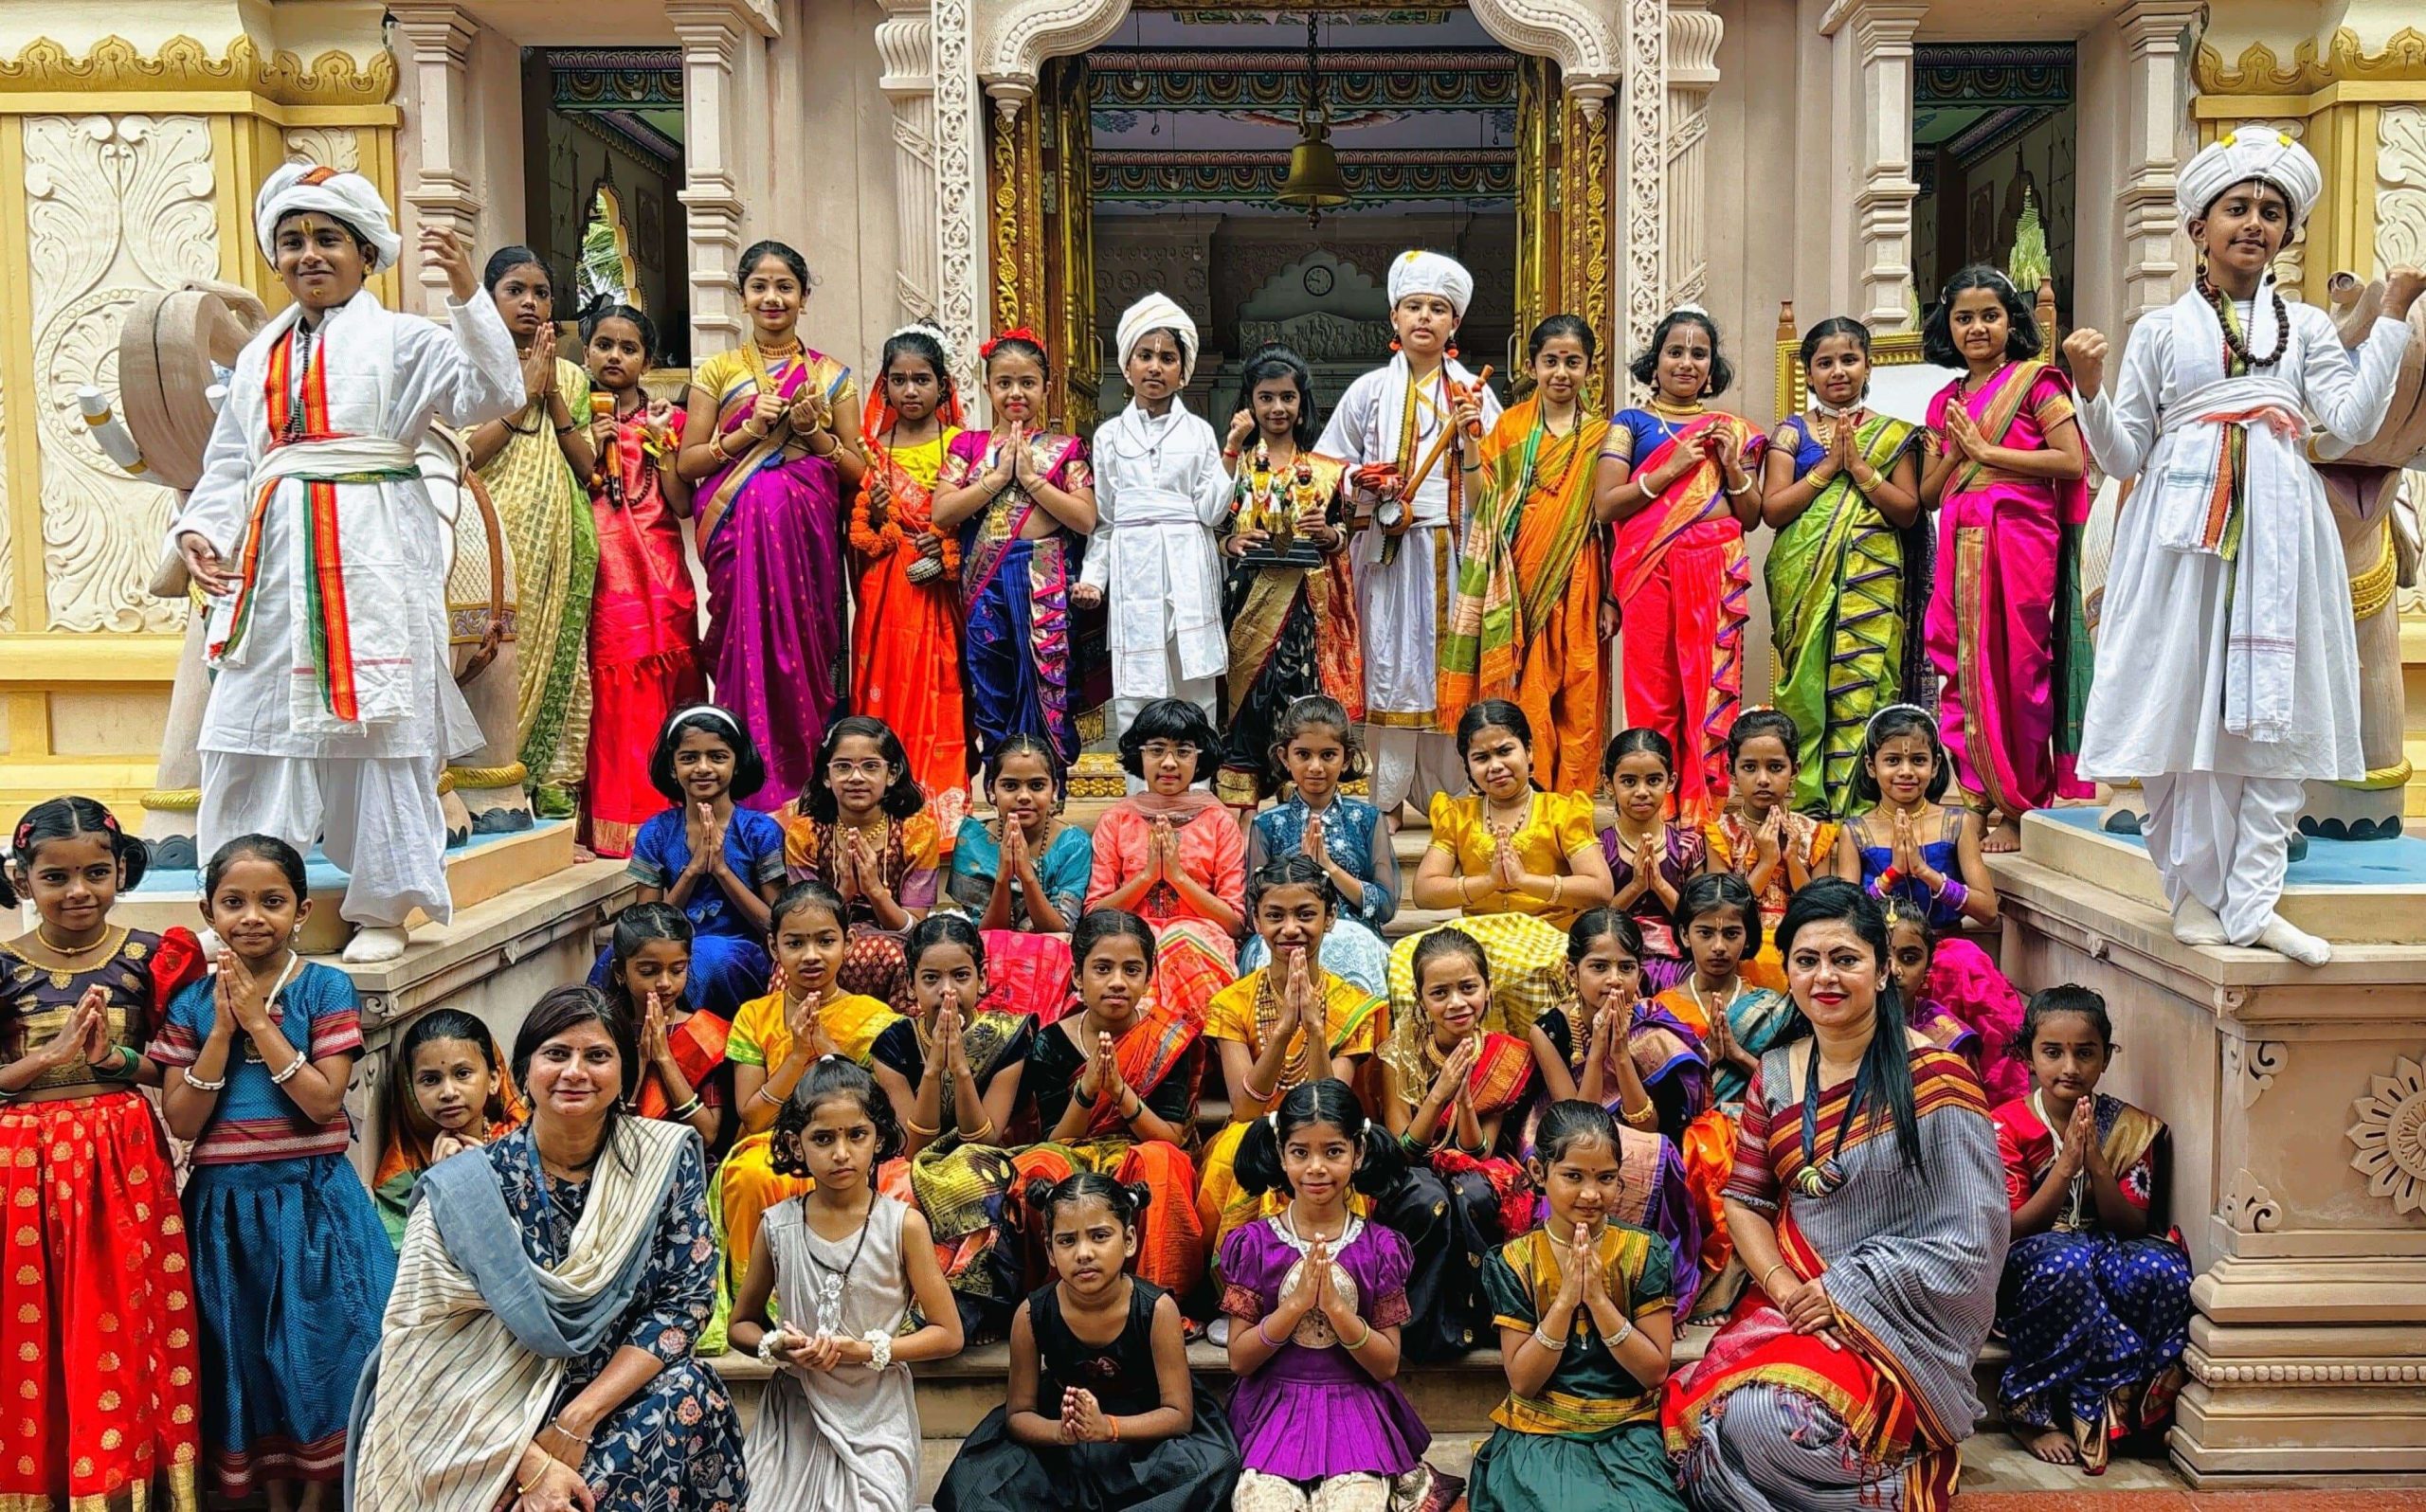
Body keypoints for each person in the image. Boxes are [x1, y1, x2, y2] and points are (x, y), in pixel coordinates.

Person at [2068, 133, 2424, 962]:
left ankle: (2256, 900)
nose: (2255, 223)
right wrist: (2091, 392)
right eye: (2238, 208)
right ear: (2199, 226)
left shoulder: (2303, 328)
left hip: (2279, 533)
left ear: (2287, 233)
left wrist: (2396, 316)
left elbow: (2358, 422)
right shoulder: (2160, 331)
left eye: (2272, 211)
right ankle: (2194, 892)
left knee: (2280, 717)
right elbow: (2124, 454)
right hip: (2180, 540)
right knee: (2177, 710)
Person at [171, 162, 521, 964]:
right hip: (274, 565)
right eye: (292, 242)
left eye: (328, 238)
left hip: (372, 556)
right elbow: (231, 460)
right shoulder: (259, 354)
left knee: (380, 729)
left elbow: (492, 391)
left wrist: (468, 295)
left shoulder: (405, 337)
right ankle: (238, 904)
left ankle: (386, 908)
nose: (309, 255)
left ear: (366, 253)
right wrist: (199, 533)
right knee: (250, 732)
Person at [1661, 878, 2008, 1510]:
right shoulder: (1775, 1071)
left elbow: (1973, 1239)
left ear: (1880, 971)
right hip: (1793, 1305)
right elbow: (1745, 1199)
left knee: (1768, 1425)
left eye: (1845, 959)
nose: (1826, 977)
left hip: (1899, 1327)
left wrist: (1844, 1292)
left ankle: (1893, 1487)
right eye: (1807, 960)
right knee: (1708, 1433)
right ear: (1787, 971)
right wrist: (1791, 1292)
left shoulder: (1937, 1078)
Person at [347, 986, 746, 1512]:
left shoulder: (663, 1160)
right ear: (522, 1071)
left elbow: (684, 1303)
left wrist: (575, 1422)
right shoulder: (468, 1188)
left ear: (625, 1071)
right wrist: (531, 1461)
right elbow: (420, 1338)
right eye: (557, 1054)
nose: (575, 1072)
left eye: (598, 1056)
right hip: (493, 1408)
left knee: (691, 1393)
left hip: (614, 1393)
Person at [152, 836, 392, 1507]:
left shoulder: (324, 987)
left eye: (272, 901)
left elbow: (321, 1101)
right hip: (225, 1212)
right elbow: (184, 1122)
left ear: (302, 909)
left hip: (313, 1205)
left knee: (328, 1346)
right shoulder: (194, 1004)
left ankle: (324, 1499)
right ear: (208, 909)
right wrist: (223, 1034)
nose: (252, 916)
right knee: (243, 1356)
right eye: (233, 902)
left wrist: (259, 1024)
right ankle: (274, 1501)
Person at [0, 800, 206, 1512]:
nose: (78, 890)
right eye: (55, 877)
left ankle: (121, 1484)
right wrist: (49, 1060)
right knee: (35, 1324)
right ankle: (46, 1485)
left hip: (123, 1163)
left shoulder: (155, 957)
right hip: (25, 1171)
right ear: (23, 881)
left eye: (96, 872)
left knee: (123, 1317)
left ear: (123, 870)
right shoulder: (2, 966)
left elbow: (167, 1071)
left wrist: (111, 1057)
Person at [675, 240, 865, 811]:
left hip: (806, 549)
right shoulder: (719, 370)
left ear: (803, 298)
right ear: (742, 297)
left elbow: (856, 468)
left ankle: (811, 783)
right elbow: (688, 464)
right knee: (745, 649)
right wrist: (748, 431)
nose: (772, 297)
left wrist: (814, 436)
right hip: (737, 539)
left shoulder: (833, 377)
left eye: (785, 286)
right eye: (760, 286)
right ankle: (748, 781)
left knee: (807, 659)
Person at [731, 1057, 963, 1512]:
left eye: (856, 1135)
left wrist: (867, 1350)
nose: (841, 1153)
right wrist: (776, 1344)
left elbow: (949, 1334)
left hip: (875, 1411)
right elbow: (742, 1325)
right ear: (796, 1146)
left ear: (877, 1138)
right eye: (822, 1138)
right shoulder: (777, 1228)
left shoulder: (903, 1226)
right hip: (795, 1409)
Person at [933, 1173, 1240, 1512]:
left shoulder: (1155, 1310)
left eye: (1099, 1236)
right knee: (974, 1488)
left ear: (1128, 1241)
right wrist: (1062, 1433)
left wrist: (1107, 1427)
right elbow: (1019, 1414)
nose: (1083, 1253)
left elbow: (1178, 1415)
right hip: (1063, 1431)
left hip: (1142, 1433)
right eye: (1067, 1241)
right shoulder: (1031, 1315)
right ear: (1049, 1250)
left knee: (1213, 1468)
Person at [1321, 250, 1504, 819]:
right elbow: (1326, 464)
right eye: (1413, 307)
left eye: (1438, 309)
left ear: (1455, 324)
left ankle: (1449, 796)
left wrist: (1473, 434)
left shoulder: (1475, 393)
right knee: (1389, 668)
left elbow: (1499, 479)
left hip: (1452, 550)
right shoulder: (1369, 391)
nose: (1425, 317)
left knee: (1445, 670)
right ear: (1394, 320)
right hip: (1383, 553)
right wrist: (1361, 478)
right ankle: (1386, 797)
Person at [1919, 264, 2093, 854]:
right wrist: (1958, 453)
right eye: (1963, 318)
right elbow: (1927, 492)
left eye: (1989, 316)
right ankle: (1976, 798)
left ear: (2010, 321)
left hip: (2020, 539)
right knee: (1961, 667)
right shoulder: (1946, 399)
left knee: (2020, 670)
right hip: (1961, 536)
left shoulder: (2038, 383)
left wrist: (1987, 451)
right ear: (1948, 325)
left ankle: (2023, 804)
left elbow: (2071, 463)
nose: (1976, 328)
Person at [1219, 1080, 1448, 1512]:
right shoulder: (1253, 1245)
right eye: (1300, 1152)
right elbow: (1239, 1360)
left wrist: (1338, 1310)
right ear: (1280, 1154)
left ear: (1358, 1153)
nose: (1317, 1168)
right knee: (1262, 1503)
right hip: (1272, 1408)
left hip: (1356, 1406)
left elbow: (1386, 1364)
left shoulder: (1381, 1249)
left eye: (1334, 1151)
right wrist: (1295, 1305)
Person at [1992, 985, 2193, 1473]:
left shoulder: (2130, 1126)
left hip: (2105, 1244)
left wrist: (2097, 1163)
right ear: (2028, 1056)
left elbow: (2133, 1224)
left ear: (2106, 1057)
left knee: (2164, 1268)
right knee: (2068, 1261)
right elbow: (2015, 1228)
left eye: (2085, 1054)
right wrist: (2064, 1166)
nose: (2070, 1068)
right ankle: (2029, 1409)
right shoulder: (2005, 1125)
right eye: (2053, 1052)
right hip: (2031, 1260)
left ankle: (2126, 1402)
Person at [1468, 1101, 1685, 1512]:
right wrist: (1565, 1301)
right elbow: (1524, 1383)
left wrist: (1599, 1301)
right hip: (1539, 1429)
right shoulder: (1515, 1261)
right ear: (1539, 1174)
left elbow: (1654, 1370)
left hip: (1627, 1429)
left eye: (1605, 1178)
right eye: (1573, 1176)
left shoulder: (1643, 1252)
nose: (1590, 1193)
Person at [1593, 307, 1765, 824]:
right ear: (1655, 360)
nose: (1686, 362)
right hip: (1649, 567)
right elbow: (1606, 506)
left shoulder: (1733, 430)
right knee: (1653, 687)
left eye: (1698, 353)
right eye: (1675, 351)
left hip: (1715, 567)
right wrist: (1670, 469)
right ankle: (1654, 801)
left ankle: (1700, 805)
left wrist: (1731, 464)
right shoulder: (1630, 424)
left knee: (1706, 686)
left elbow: (1752, 514)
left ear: (1711, 367)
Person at [1439, 315, 1615, 794]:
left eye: (1573, 363)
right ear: (1532, 365)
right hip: (1518, 583)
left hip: (1581, 579)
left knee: (1580, 694)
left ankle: (1573, 804)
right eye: (1551, 361)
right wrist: (1470, 443)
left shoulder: (1605, 435)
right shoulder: (1511, 427)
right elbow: (1481, 502)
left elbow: (1610, 522)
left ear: (1588, 370)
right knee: (1529, 695)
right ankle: (1529, 799)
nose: (1561, 373)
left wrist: (1611, 598)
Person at [1762, 317, 1926, 816]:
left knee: (1867, 684)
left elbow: (1907, 510)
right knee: (1808, 687)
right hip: (1804, 582)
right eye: (1825, 363)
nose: (1838, 371)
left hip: (1871, 581)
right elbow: (1773, 509)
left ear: (1869, 366)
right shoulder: (1791, 433)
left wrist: (1860, 469)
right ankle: (1810, 805)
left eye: (1849, 359)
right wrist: (1829, 468)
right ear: (1807, 374)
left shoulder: (1893, 435)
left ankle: (1862, 803)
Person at [1198, 858, 1389, 1251]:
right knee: (1241, 1143)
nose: (1290, 929)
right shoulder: (1231, 1003)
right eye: (1275, 916)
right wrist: (1285, 1030)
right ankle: (1244, 1274)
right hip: (1258, 1128)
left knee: (1331, 1146)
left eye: (1305, 915)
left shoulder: (1354, 1005)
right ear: (1255, 920)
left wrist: (1316, 1033)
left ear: (1331, 917)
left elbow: (1333, 1110)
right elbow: (1245, 1110)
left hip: (1325, 1134)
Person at [1519, 911, 1703, 1317]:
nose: (1614, 979)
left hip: (1632, 1133)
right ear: (1573, 972)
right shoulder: (1549, 1030)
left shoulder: (1653, 1023)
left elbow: (1651, 1123)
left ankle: (1650, 1291)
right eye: (1599, 967)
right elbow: (1576, 1122)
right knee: (1598, 1159)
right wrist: (1597, 1048)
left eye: (1627, 967)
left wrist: (1620, 1055)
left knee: (1658, 1153)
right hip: (1564, 1136)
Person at [723, 882, 907, 1286]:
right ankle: (757, 1296)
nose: (811, 956)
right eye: (795, 943)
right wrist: (795, 1056)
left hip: (849, 1143)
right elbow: (753, 1118)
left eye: (825, 941)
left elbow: (883, 1112)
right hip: (772, 1143)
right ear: (774, 947)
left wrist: (824, 1047)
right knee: (753, 1175)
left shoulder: (876, 1019)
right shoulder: (754, 1016)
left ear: (849, 941)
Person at [466, 245, 597, 815]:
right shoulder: (467, 367)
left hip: (558, 546)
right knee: (490, 655)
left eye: (540, 293)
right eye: (514, 290)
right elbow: (463, 454)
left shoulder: (570, 374)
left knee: (559, 665)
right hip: (490, 541)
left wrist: (553, 396)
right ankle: (483, 781)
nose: (530, 302)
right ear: (489, 300)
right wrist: (521, 397)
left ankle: (548, 790)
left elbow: (587, 464)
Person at [1021, 909, 1207, 1299]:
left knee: (1162, 1161)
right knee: (1039, 1165)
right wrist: (1087, 1090)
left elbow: (1171, 1138)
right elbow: (1056, 1140)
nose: (1117, 982)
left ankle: (1159, 1298)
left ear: (1148, 976)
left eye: (1131, 970)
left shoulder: (1167, 1037)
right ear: (1077, 976)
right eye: (1102, 969)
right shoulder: (1052, 1042)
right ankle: (1053, 1301)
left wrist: (1120, 1092)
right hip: (1075, 1149)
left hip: (1141, 1150)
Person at [935, 330, 1097, 765]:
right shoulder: (966, 446)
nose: (1016, 394)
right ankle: (1000, 787)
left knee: (1049, 684)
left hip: (1044, 580)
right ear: (987, 387)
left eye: (1027, 382)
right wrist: (995, 478)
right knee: (991, 685)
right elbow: (942, 512)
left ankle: (1049, 791)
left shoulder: (1068, 450)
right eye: (1004, 383)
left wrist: (1030, 480)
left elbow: (1084, 518)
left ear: (1047, 388)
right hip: (985, 583)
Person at [581, 298, 703, 858]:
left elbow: (681, 504)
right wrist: (586, 440)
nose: (615, 356)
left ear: (647, 361)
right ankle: (612, 824)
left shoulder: (667, 419)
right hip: (604, 578)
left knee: (667, 692)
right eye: (604, 345)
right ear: (586, 352)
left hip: (660, 572)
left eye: (628, 348)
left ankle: (670, 819)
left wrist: (662, 444)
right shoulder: (572, 416)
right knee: (613, 701)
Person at [1379, 927, 1539, 1356]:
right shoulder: (1397, 1053)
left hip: (1477, 1169)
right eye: (1440, 993)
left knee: (1471, 1194)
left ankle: (1483, 1320)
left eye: (1468, 988)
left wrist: (1466, 1100)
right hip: (1413, 1171)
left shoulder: (1505, 1054)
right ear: (1420, 998)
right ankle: (1415, 1325)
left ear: (1487, 989)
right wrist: (1439, 1094)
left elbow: (1478, 1152)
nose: (1456, 1003)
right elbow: (1400, 1151)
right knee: (1427, 1195)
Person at [1079, 295, 1230, 747]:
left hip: (1189, 559)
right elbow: (1104, 518)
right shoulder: (1108, 436)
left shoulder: (1200, 432)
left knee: (1195, 682)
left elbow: (1212, 512)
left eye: (1167, 358)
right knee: (1136, 689)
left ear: (1182, 370)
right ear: (1127, 366)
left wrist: (1233, 454)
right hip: (1133, 562)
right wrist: (1094, 578)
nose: (1155, 367)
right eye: (1145, 356)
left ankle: (1197, 796)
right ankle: (1137, 801)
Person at [1216, 346, 1361, 810]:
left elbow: (1344, 535)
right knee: (1247, 702)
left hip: (1305, 610)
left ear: (1302, 404)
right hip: (1247, 600)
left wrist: (1328, 535)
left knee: (1297, 699)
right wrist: (1230, 543)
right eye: (1266, 398)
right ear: (1251, 402)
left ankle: (1298, 814)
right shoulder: (1234, 463)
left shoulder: (1326, 471)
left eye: (1287, 397)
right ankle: (1240, 824)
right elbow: (1214, 524)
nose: (1277, 408)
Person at [853, 321, 973, 837]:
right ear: (885, 386)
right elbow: (858, 531)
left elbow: (977, 522)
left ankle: (939, 814)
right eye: (899, 380)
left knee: (941, 689)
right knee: (886, 687)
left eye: (922, 379)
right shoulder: (873, 448)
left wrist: (944, 546)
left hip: (939, 594)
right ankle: (880, 802)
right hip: (886, 594)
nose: (910, 390)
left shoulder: (962, 447)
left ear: (943, 385)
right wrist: (880, 518)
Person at [896, 913, 1037, 1340]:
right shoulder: (894, 1042)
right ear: (910, 985)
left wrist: (959, 1070)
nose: (947, 992)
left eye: (960, 976)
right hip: (918, 1158)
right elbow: (912, 1148)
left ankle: (964, 1310)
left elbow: (988, 1136)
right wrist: (931, 1070)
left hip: (988, 1156)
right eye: (931, 979)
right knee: (899, 1183)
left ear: (983, 977)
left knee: (972, 1176)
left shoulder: (1010, 1037)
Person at [1083, 698, 1244, 1028]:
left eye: (1183, 751)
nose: (1169, 763)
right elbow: (1094, 915)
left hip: (1200, 947)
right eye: (1156, 750)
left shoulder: (1218, 821)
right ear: (1139, 755)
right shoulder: (1117, 821)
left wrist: (1177, 877)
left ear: (1200, 758)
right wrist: (1146, 877)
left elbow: (1234, 923)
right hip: (1126, 944)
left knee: (1177, 941)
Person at [623, 705, 784, 1017]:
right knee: (613, 962)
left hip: (742, 949)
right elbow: (642, 929)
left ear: (736, 764)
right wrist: (692, 871)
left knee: (709, 956)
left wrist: (722, 871)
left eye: (717, 756)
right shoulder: (656, 833)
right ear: (672, 767)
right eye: (689, 758)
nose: (703, 767)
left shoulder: (759, 831)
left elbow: (775, 924)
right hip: (665, 951)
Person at [1413, 700, 1614, 931]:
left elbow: (1601, 890)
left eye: (1504, 751)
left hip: (1550, 939)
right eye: (1481, 757)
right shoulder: (1457, 816)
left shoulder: (1562, 812)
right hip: (1478, 941)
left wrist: (1523, 880)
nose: (1495, 765)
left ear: (1529, 751)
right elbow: (1424, 892)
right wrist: (1490, 882)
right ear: (1467, 765)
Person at [782, 714, 941, 1004]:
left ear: (891, 775)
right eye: (843, 767)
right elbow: (800, 919)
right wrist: (843, 892)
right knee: (789, 965)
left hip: (894, 942)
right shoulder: (805, 833)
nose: (856, 778)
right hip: (818, 940)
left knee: (893, 957)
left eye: (870, 767)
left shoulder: (917, 831)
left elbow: (915, 928)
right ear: (826, 777)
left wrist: (875, 892)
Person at [1242, 696, 1397, 994]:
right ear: (1285, 757)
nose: (1316, 766)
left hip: (1354, 930)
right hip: (1283, 933)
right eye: (1303, 754)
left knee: (1347, 942)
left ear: (1347, 758)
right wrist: (1297, 878)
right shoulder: (1267, 824)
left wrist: (1329, 869)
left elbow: (1386, 905)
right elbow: (1253, 906)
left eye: (1328, 755)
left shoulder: (1366, 819)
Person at [372, 1007, 525, 1246]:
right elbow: (407, 1262)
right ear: (411, 1089)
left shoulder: (521, 1143)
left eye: (462, 1074)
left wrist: (486, 1175)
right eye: (430, 1080)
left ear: (493, 1080)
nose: (448, 1092)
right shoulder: (400, 1172)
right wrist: (439, 1184)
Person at [601, 902, 733, 1155]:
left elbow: (707, 1134)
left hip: (685, 1164)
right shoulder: (606, 1033)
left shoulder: (706, 1033)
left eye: (677, 970)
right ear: (620, 971)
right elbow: (604, 1130)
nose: (664, 983)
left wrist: (664, 1058)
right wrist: (640, 1062)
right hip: (615, 1160)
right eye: (648, 971)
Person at [1704, 709, 1837, 960]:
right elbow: (1724, 912)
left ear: (1795, 770)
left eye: (1775, 767)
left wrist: (1793, 860)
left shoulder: (1816, 834)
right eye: (1749, 767)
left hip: (1802, 948)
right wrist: (1767, 862)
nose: (1763, 779)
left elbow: (1821, 907)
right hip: (1741, 950)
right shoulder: (1720, 834)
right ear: (1732, 772)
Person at [1657, 873, 1792, 1110]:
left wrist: (1738, 1055)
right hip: (1686, 1143)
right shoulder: (1663, 1010)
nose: (1718, 946)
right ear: (1684, 935)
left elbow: (1790, 1092)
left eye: (1731, 934)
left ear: (1748, 937)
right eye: (1705, 933)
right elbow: (1659, 1101)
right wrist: (1707, 1058)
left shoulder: (1770, 1010)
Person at [1883, 896, 2027, 1105]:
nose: (1894, 970)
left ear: (1928, 969)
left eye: (1909, 958)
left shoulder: (1949, 1040)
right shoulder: (1838, 1026)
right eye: (1881, 956)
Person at [950, 733, 1093, 937]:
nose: (1024, 796)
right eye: (1010, 786)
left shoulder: (1074, 844)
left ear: (1055, 790)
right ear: (991, 790)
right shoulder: (973, 841)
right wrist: (1003, 876)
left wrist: (1026, 875)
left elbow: (1061, 930)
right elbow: (985, 933)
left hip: (1054, 957)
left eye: (1037, 786)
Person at [1599, 729, 1706, 996]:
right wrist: (1635, 886)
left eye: (1654, 780)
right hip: (1615, 956)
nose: (1642, 792)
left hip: (1678, 958)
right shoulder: (1598, 848)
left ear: (1671, 782)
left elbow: (1698, 919)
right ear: (1608, 784)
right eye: (1629, 781)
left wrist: (1658, 884)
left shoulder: (1687, 845)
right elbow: (1595, 920)